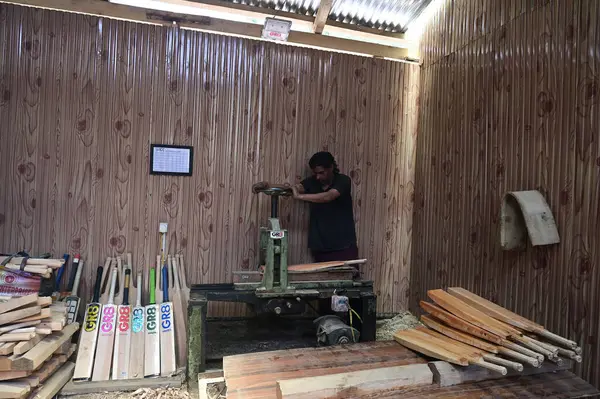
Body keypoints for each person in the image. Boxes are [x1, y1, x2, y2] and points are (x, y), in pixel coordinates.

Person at [291, 152, 358, 262]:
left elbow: (329, 196)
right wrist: (267, 185)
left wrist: (300, 196)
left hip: (344, 246)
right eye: (315, 173)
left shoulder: (343, 180)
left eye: (321, 173)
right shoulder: (312, 181)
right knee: (323, 279)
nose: (318, 177)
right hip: (320, 246)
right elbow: (292, 188)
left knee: (348, 278)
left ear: (331, 167)